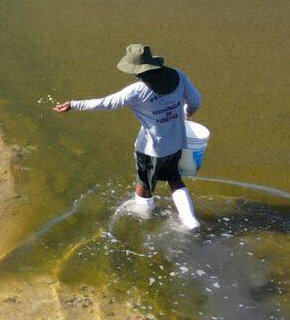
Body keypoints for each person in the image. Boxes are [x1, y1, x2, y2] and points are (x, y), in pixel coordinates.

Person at [53, 43, 203, 230]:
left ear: (136, 72)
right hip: (176, 142)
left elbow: (106, 103)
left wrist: (74, 104)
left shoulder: (137, 91)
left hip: (151, 149)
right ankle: (190, 221)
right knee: (174, 179)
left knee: (144, 185)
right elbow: (196, 100)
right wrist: (186, 113)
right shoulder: (178, 76)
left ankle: (143, 221)